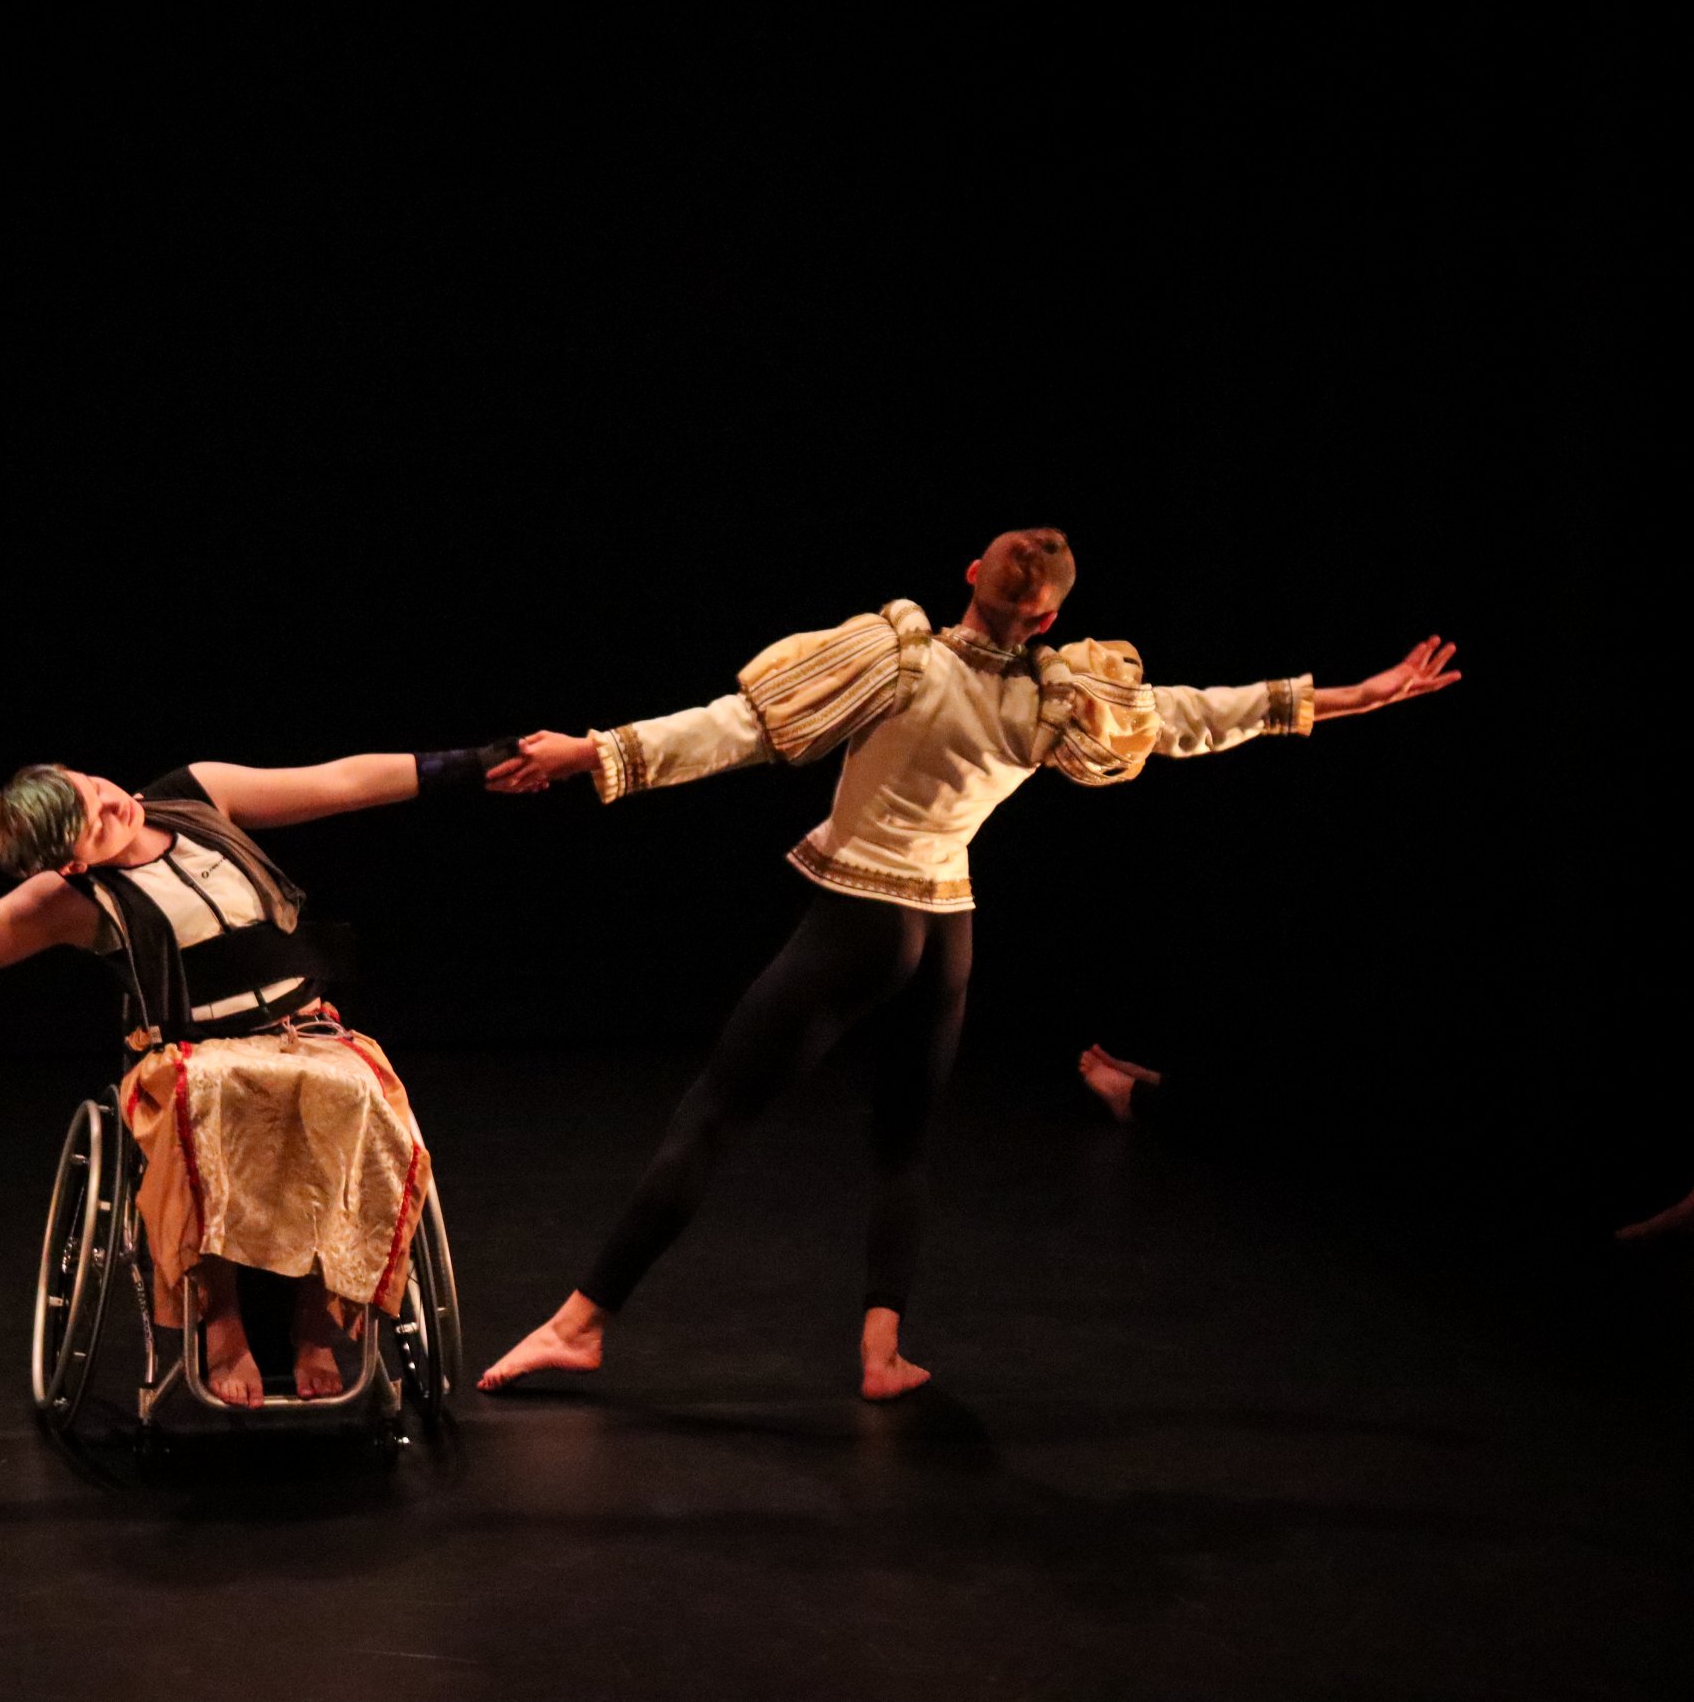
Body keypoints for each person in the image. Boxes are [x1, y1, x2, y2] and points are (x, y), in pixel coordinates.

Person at [477, 527, 1462, 1401]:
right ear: (1048, 618)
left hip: (859, 919)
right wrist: (1354, 696)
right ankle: (881, 1349)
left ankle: (579, 1327)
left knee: (711, 1120)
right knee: (902, 1142)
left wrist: (593, 752)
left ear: (969, 578)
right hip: (945, 931)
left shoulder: (898, 662)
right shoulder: (1058, 700)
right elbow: (1196, 715)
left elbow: (733, 731)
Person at [0, 742, 510, 1407]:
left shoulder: (196, 793)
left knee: (355, 1093)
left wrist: (477, 763)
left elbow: (340, 781)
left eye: (92, 783)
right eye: (97, 819)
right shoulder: (71, 901)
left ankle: (318, 1320)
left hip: (304, 1031)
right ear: (75, 860)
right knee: (206, 1105)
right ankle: (222, 1322)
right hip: (190, 1058)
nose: (113, 800)